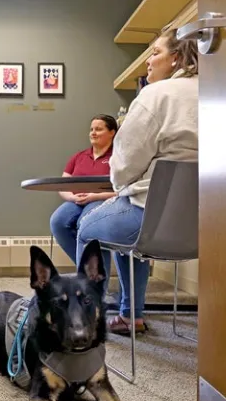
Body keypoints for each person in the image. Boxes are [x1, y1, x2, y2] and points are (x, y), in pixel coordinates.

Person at [77, 27, 199, 335]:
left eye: (155, 53)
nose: (148, 61)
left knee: (87, 228)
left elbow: (122, 169)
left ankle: (85, 317)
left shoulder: (155, 95)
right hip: (209, 226)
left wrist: (124, 184)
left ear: (177, 58)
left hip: (152, 220)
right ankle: (131, 315)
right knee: (127, 230)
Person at [49, 115, 118, 268]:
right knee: (57, 222)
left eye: (99, 129)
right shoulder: (79, 156)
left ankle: (95, 277)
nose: (93, 133)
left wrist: (96, 196)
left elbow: (123, 189)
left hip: (104, 200)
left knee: (86, 224)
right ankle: (88, 270)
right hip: (76, 200)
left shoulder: (118, 157)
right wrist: (72, 198)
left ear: (112, 132)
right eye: (91, 129)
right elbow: (63, 184)